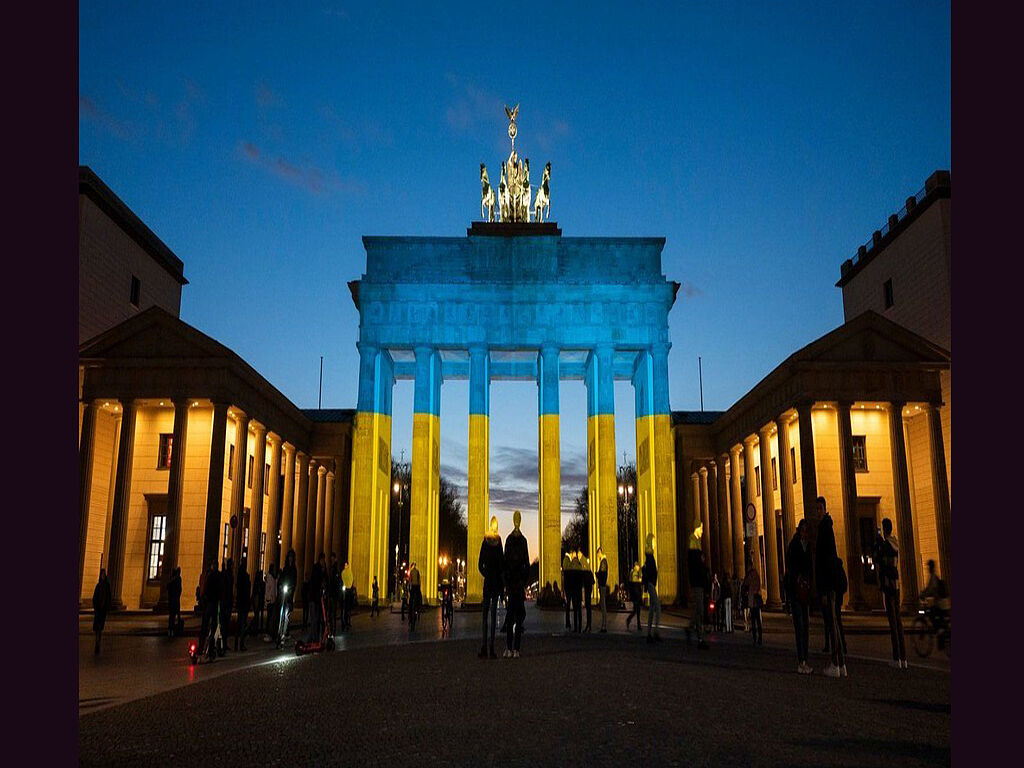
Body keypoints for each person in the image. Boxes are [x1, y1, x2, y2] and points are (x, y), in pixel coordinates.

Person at [815, 497, 846, 677]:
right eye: (816, 509)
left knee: (832, 623)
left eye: (820, 508)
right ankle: (841, 664)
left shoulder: (824, 528)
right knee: (834, 623)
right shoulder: (827, 527)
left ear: (824, 509)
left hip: (828, 585)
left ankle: (835, 663)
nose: (818, 511)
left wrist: (824, 589)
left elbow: (825, 561)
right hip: (831, 582)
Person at [875, 518, 907, 669]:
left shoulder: (885, 545)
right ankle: (904, 658)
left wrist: (879, 544)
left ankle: (896, 658)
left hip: (888, 585)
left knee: (893, 622)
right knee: (899, 622)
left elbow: (880, 562)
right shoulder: (896, 544)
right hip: (897, 584)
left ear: (884, 529)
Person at [785, 519, 813, 674]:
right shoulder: (794, 546)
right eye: (802, 530)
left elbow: (810, 566)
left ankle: (805, 660)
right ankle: (801, 660)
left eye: (805, 531)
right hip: (796, 591)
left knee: (805, 626)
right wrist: (797, 577)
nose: (804, 533)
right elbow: (790, 567)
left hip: (805, 591)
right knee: (800, 626)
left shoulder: (807, 547)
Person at [503, 510, 530, 657]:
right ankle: (515, 649)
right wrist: (523, 581)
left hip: (514, 584)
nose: (517, 521)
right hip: (517, 585)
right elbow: (526, 562)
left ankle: (510, 648)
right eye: (516, 518)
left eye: (518, 518)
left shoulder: (508, 539)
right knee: (517, 617)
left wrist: (507, 581)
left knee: (512, 616)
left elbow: (505, 561)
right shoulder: (523, 540)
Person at [478, 515, 504, 658]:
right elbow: (502, 565)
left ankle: (483, 646)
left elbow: (479, 563)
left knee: (484, 616)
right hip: (495, 583)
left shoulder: (485, 542)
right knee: (493, 616)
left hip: (488, 582)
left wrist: (486, 573)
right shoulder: (499, 542)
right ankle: (492, 648)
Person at [685, 523, 708, 648]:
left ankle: (697, 635)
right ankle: (698, 636)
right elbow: (696, 565)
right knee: (699, 610)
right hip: (697, 583)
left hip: (697, 582)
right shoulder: (693, 544)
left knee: (698, 610)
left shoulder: (695, 543)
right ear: (696, 528)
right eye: (701, 529)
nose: (703, 531)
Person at [919, 559, 950, 633]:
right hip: (941, 602)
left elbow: (930, 589)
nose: (928, 568)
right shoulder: (933, 576)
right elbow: (929, 588)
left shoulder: (933, 577)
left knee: (931, 613)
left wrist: (922, 595)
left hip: (941, 603)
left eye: (928, 567)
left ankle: (939, 631)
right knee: (933, 613)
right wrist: (924, 593)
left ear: (931, 567)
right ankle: (939, 630)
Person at [199, 559, 220, 657]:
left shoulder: (210, 576)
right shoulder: (214, 576)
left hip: (210, 603)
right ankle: (209, 648)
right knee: (212, 626)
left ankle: (202, 647)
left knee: (207, 626)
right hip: (213, 603)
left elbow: (205, 589)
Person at [643, 534, 662, 643]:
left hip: (650, 584)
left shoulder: (649, 555)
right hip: (651, 584)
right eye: (654, 541)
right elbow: (650, 571)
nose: (655, 543)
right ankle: (655, 632)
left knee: (651, 610)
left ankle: (649, 634)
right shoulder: (650, 556)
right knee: (658, 608)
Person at [92, 568, 112, 655]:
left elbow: (109, 597)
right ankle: (97, 642)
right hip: (99, 610)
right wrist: (96, 607)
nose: (103, 576)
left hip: (102, 610)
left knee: (100, 627)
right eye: (102, 574)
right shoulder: (98, 585)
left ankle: (98, 642)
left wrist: (107, 606)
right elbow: (94, 597)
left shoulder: (106, 586)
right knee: (98, 627)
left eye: (104, 574)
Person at [279, 550, 297, 640]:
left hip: (290, 592)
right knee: (282, 611)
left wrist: (292, 588)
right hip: (284, 592)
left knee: (287, 614)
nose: (290, 558)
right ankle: (280, 630)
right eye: (289, 556)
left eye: (291, 557)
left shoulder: (294, 569)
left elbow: (295, 581)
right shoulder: (285, 568)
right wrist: (281, 585)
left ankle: (286, 631)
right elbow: (282, 578)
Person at [235, 558, 251, 651]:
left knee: (239, 623)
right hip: (243, 603)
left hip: (241, 602)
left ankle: (237, 644)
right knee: (242, 624)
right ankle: (240, 644)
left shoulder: (240, 575)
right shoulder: (244, 576)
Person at [745, 562, 763, 646]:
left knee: (753, 621)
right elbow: (758, 586)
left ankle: (755, 638)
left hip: (753, 601)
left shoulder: (750, 576)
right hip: (757, 601)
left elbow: (746, 583)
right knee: (758, 621)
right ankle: (760, 638)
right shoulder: (757, 575)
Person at [219, 558, 234, 655]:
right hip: (225, 603)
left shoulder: (227, 575)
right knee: (223, 625)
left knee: (224, 625)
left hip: (225, 602)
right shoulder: (227, 575)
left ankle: (223, 644)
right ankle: (221, 645)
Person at [263, 563, 278, 641]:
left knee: (271, 617)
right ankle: (268, 633)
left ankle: (269, 633)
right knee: (270, 618)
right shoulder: (270, 578)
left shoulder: (272, 578)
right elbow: (270, 590)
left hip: (272, 600)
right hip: (270, 600)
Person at [626, 561, 643, 631]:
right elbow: (638, 581)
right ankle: (630, 620)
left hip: (636, 592)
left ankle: (637, 623)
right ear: (635, 566)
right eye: (638, 566)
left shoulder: (633, 572)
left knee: (636, 609)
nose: (638, 567)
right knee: (636, 609)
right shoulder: (633, 573)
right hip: (636, 592)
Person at [569, 551, 583, 633]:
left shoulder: (571, 566)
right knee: (579, 610)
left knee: (575, 610)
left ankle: (575, 627)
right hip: (579, 590)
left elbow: (570, 580)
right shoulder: (580, 565)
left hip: (573, 591)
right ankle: (580, 628)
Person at [167, 566, 182, 638]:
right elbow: (179, 590)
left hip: (172, 600)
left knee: (172, 616)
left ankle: (170, 630)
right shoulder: (177, 580)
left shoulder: (172, 580)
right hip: (175, 600)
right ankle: (172, 629)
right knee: (174, 615)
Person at [596, 547, 609, 633]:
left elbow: (602, 574)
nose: (597, 556)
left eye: (597, 554)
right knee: (603, 605)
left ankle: (604, 625)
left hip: (602, 585)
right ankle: (603, 625)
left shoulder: (603, 562)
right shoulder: (603, 562)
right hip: (602, 585)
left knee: (603, 605)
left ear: (600, 553)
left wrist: (597, 574)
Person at [328, 553, 341, 635]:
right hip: (332, 593)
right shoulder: (332, 568)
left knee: (332, 613)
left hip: (333, 593)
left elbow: (335, 581)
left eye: (333, 558)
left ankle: (332, 630)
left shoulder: (335, 569)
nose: (331, 560)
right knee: (331, 613)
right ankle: (331, 630)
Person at [250, 568, 265, 638]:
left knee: (257, 616)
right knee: (256, 616)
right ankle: (254, 629)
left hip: (259, 600)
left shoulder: (260, 583)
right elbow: (255, 592)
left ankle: (255, 629)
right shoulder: (258, 583)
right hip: (257, 600)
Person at [582, 553, 594, 632]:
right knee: (588, 608)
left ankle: (588, 625)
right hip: (588, 591)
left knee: (588, 607)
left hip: (587, 591)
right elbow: (593, 582)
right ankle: (589, 625)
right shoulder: (589, 572)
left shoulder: (585, 572)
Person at [408, 562, 422, 631]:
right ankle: (419, 606)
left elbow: (410, 580)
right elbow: (419, 580)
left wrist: (409, 587)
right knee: (419, 596)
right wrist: (419, 586)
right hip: (417, 587)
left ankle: (410, 607)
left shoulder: (411, 572)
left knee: (411, 599)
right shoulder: (417, 571)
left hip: (413, 587)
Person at [341, 560, 354, 630]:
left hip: (348, 590)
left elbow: (351, 580)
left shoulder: (349, 572)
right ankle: (345, 621)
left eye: (346, 565)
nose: (346, 566)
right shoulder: (343, 572)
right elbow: (343, 580)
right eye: (345, 565)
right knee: (345, 608)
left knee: (348, 608)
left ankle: (347, 621)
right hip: (346, 590)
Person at [561, 552, 572, 630]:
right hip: (569, 586)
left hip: (567, 585)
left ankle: (568, 623)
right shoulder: (567, 560)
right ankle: (569, 622)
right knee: (569, 604)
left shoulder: (565, 560)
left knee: (568, 604)